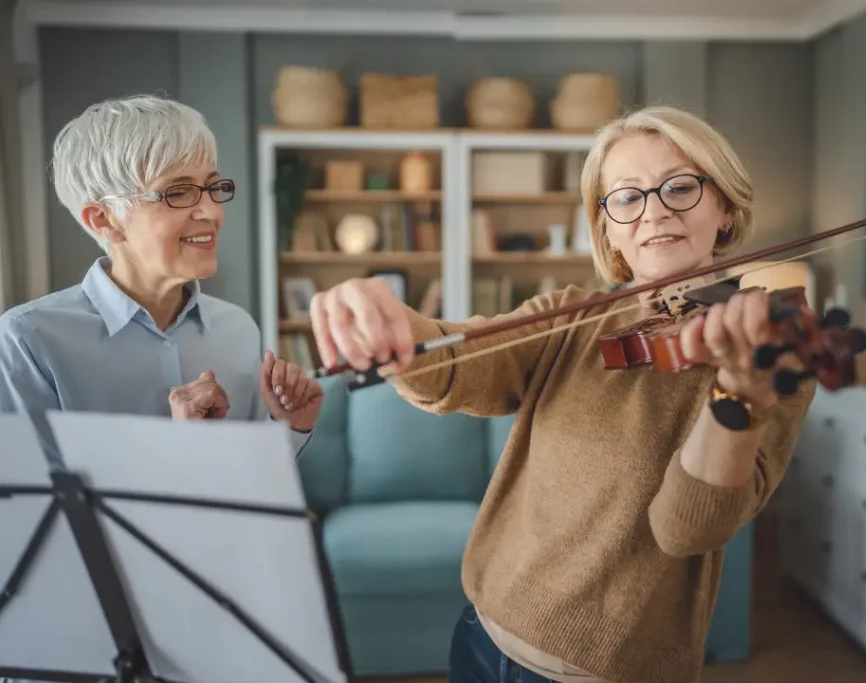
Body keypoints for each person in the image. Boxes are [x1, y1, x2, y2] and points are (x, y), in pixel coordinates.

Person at [307, 105, 816, 683]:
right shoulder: (572, 318)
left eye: (680, 187)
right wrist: (396, 324)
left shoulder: (773, 349)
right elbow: (463, 357)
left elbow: (687, 528)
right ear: (608, 227)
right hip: (482, 634)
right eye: (627, 197)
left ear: (724, 207)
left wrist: (737, 394)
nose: (654, 212)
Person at [0, 94, 322, 469]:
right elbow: (31, 506)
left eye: (212, 187)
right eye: (178, 192)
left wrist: (289, 427)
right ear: (103, 220)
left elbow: (251, 481)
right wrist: (174, 447)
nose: (211, 211)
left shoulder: (238, 330)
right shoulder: (29, 340)